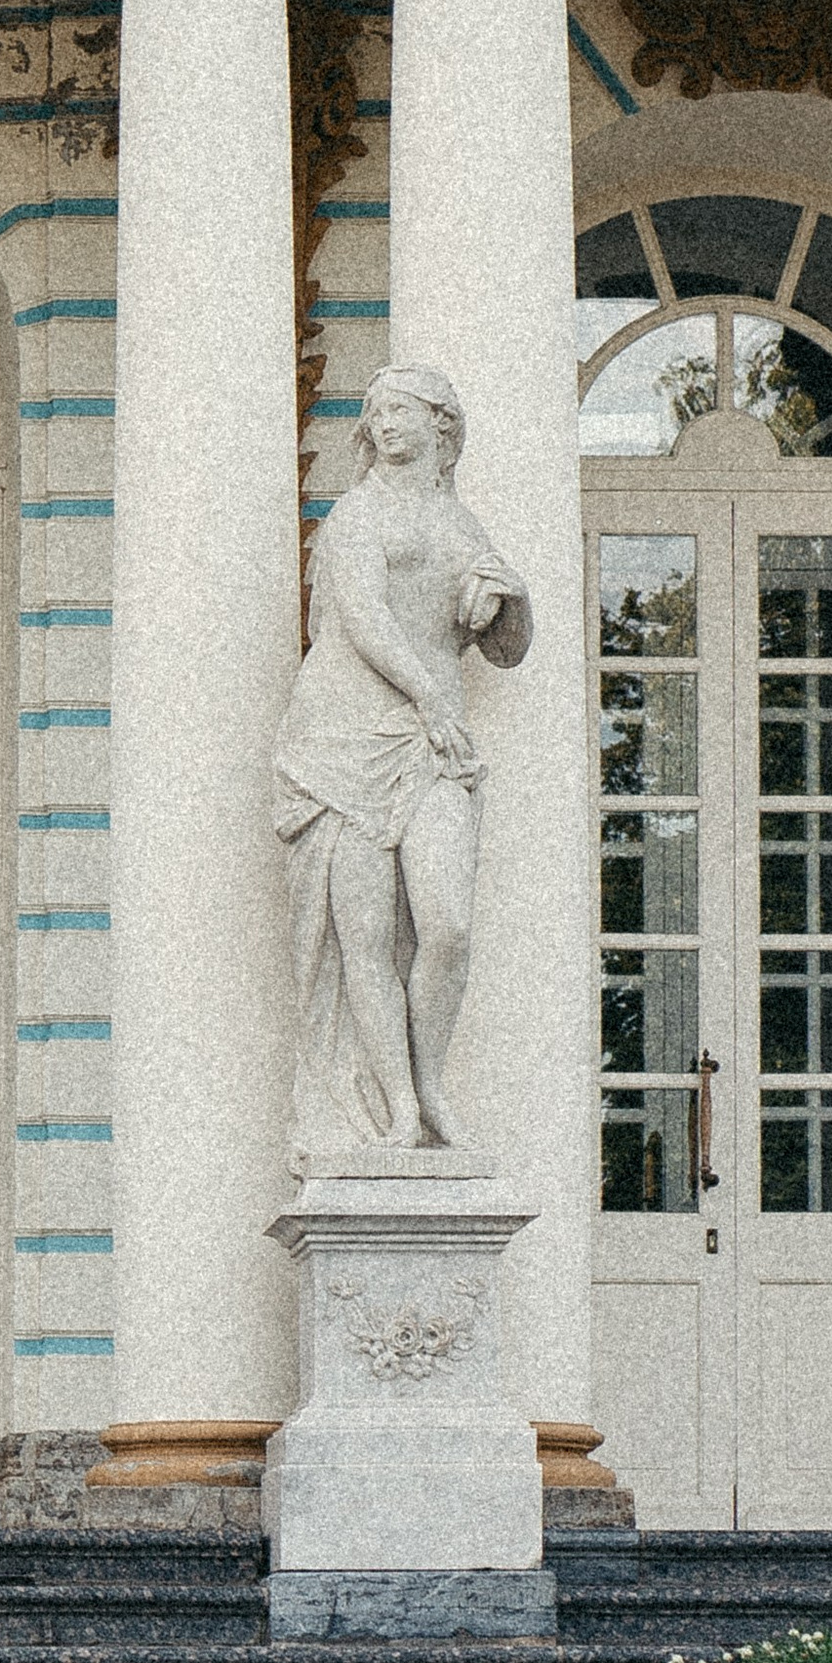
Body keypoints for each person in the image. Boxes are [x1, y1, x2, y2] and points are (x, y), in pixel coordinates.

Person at [273, 359, 529, 1165]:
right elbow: (364, 620)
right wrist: (434, 699)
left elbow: (508, 651)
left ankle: (430, 1084)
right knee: (367, 941)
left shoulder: (463, 528)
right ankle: (397, 1114)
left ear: (441, 427)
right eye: (376, 411)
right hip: (344, 738)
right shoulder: (357, 514)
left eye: (401, 410)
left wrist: (511, 599)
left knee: (447, 922)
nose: (384, 422)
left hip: (429, 744)